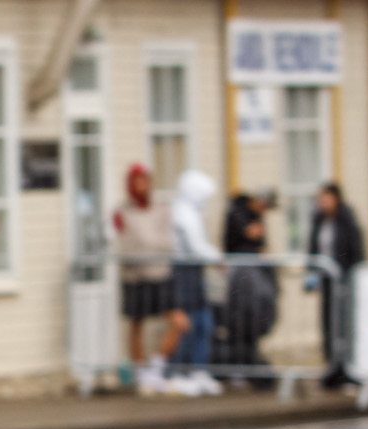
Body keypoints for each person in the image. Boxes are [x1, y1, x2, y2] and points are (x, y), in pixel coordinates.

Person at [151, 169, 223, 396]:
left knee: (203, 322)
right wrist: (217, 257)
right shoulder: (184, 214)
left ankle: (198, 370)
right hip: (183, 274)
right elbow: (196, 247)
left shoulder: (190, 212)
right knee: (187, 325)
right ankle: (176, 372)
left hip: (193, 272)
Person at [114, 164, 173, 385]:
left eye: (145, 181)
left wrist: (150, 246)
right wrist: (148, 246)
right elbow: (127, 244)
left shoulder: (160, 209)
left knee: (177, 321)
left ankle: (156, 368)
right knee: (136, 323)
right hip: (135, 275)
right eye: (137, 181)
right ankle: (139, 371)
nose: (142, 186)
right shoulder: (123, 212)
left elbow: (166, 241)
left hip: (159, 272)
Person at [308, 182, 367, 390]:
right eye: (320, 199)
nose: (322, 202)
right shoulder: (318, 220)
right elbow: (313, 248)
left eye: (326, 198)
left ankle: (347, 369)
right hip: (327, 280)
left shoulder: (347, 220)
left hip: (344, 281)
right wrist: (311, 272)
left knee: (344, 325)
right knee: (329, 324)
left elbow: (356, 250)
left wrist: (353, 277)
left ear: (336, 198)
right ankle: (332, 367)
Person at [216, 192, 279, 384]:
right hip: (242, 279)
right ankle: (239, 368)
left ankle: (248, 366)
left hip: (252, 284)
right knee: (240, 322)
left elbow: (260, 239)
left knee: (252, 322)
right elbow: (251, 233)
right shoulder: (238, 213)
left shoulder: (254, 215)